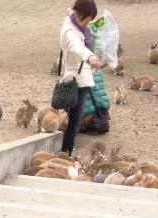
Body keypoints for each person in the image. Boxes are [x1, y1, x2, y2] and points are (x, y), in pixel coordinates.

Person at [59, 0, 100, 154]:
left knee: (74, 118)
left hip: (81, 75)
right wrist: (90, 56)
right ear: (78, 14)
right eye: (87, 19)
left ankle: (66, 150)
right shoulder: (70, 32)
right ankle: (66, 152)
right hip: (76, 79)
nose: (88, 23)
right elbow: (76, 46)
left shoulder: (75, 23)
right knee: (75, 121)